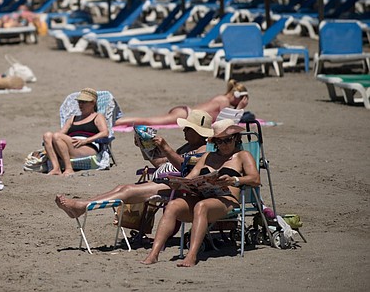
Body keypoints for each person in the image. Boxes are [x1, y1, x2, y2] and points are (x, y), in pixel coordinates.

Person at [140, 119, 260, 266]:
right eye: (220, 141)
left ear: (236, 138)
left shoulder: (243, 156)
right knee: (173, 205)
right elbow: (190, 178)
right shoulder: (207, 156)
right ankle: (154, 254)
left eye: (228, 140)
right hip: (201, 196)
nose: (224, 145)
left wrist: (234, 180)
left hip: (226, 200)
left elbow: (255, 179)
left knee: (201, 206)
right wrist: (178, 184)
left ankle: (191, 255)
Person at [55, 110, 214, 219]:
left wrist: (166, 147)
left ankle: (81, 206)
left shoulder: (204, 150)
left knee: (128, 190)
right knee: (121, 188)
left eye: (188, 129)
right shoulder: (187, 147)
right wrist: (144, 148)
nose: (184, 131)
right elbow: (162, 163)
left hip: (178, 188)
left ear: (198, 132)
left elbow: (185, 168)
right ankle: (82, 205)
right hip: (164, 181)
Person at [115, 79, 249, 126]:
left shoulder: (221, 98)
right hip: (185, 114)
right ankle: (116, 122)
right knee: (149, 121)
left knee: (150, 120)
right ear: (236, 95)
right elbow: (227, 121)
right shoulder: (224, 100)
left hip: (184, 112)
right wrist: (240, 107)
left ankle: (117, 121)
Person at [43, 88, 108, 176]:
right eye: (79, 102)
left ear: (93, 103)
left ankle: (69, 168)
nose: (81, 105)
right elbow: (61, 133)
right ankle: (56, 168)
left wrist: (86, 140)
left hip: (88, 146)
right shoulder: (73, 118)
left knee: (57, 136)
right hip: (72, 144)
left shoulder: (97, 117)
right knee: (47, 135)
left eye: (84, 102)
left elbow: (105, 133)